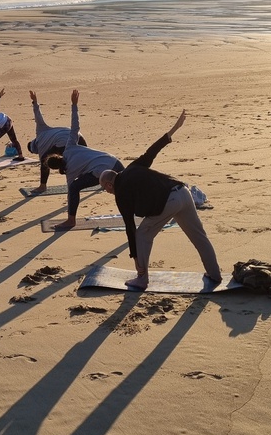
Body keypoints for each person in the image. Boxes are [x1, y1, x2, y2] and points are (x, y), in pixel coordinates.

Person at [99, 109, 221, 290]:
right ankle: (214, 273)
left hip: (169, 202)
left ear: (109, 185)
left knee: (142, 235)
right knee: (199, 236)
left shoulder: (121, 192)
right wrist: (174, 129)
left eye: (104, 189)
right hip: (183, 192)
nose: (107, 192)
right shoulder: (132, 167)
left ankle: (142, 278)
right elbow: (152, 151)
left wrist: (135, 259)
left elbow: (130, 227)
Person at [47, 89, 123, 229]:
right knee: (126, 189)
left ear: (56, 168)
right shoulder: (69, 146)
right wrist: (74, 105)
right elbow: (75, 127)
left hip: (103, 172)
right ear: (59, 155)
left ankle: (71, 221)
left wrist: (70, 210)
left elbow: (72, 191)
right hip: (115, 162)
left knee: (75, 187)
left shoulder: (69, 172)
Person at [27, 89, 87, 192]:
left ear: (35, 148)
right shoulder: (41, 129)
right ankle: (93, 176)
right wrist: (34, 101)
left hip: (63, 141)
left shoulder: (41, 147)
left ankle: (42, 186)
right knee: (85, 158)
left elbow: (45, 165)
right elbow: (37, 115)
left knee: (45, 160)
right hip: (79, 136)